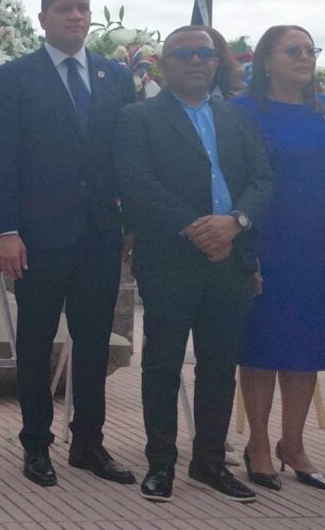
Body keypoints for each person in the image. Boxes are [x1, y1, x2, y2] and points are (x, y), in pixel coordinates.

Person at [0, 0, 137, 487]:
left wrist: (130, 224)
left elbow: (127, 156)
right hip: (37, 237)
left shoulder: (115, 76)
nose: (77, 16)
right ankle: (36, 445)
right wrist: (5, 230)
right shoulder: (15, 77)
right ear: (43, 18)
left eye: (84, 8)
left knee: (93, 343)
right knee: (35, 342)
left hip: (98, 236)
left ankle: (88, 444)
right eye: (66, 9)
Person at [115, 25, 274, 503]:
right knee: (162, 364)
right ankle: (161, 463)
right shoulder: (137, 118)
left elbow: (262, 178)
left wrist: (235, 223)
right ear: (164, 63)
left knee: (219, 366)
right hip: (170, 259)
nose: (197, 61)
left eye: (205, 53)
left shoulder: (237, 117)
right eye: (184, 53)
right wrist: (198, 229)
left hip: (232, 258)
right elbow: (136, 184)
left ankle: (208, 463)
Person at [233, 25, 325, 492]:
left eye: (310, 49)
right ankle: (257, 442)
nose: (305, 56)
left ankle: (292, 444)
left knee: (305, 345)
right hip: (265, 242)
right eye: (293, 50)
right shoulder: (242, 112)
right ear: (266, 60)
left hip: (317, 247)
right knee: (262, 345)